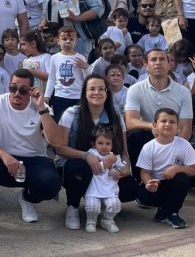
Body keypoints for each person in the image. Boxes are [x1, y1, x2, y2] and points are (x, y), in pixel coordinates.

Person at [0, 69, 62, 239]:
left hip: (34, 160)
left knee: (51, 184)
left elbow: (56, 142)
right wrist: (4, 155)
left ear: (31, 90)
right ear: (8, 87)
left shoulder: (42, 107)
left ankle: (27, 197)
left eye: (23, 90)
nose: (17, 93)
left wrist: (41, 108)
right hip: (4, 160)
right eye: (13, 88)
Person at [45, 74, 136, 231]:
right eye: (92, 89)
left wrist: (126, 167)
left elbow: (123, 150)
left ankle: (101, 206)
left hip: (107, 169)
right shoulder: (72, 113)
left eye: (101, 89)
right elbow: (59, 148)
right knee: (77, 168)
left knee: (131, 189)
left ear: (107, 93)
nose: (97, 92)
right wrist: (86, 156)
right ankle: (73, 207)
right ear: (84, 92)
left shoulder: (115, 116)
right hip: (76, 165)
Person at [124, 49, 194, 172]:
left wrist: (174, 148)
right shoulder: (135, 89)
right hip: (150, 135)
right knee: (135, 135)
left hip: (174, 137)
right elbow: (130, 122)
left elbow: (186, 127)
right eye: (153, 59)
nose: (158, 62)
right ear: (146, 65)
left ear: (169, 65)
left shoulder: (183, 92)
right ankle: (140, 177)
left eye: (162, 59)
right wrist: (154, 126)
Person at [135, 108, 195, 229]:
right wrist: (149, 183)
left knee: (182, 179)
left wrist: (176, 168)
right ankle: (163, 210)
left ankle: (171, 213)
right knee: (143, 193)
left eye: (172, 122)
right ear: (155, 125)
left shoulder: (184, 144)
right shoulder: (149, 147)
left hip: (173, 183)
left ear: (177, 127)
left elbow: (193, 170)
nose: (167, 124)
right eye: (163, 121)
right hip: (157, 184)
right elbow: (144, 172)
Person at [82, 126, 126, 233]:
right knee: (92, 206)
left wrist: (118, 173)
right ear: (94, 144)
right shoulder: (92, 153)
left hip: (110, 190)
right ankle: (91, 221)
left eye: (108, 143)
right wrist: (107, 163)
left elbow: (120, 169)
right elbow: (96, 170)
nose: (104, 146)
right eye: (100, 143)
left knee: (115, 205)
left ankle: (107, 220)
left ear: (112, 144)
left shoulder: (115, 157)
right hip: (94, 190)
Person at [45, 27, 88, 119]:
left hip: (77, 97)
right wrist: (47, 95)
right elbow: (52, 78)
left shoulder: (81, 58)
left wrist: (85, 68)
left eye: (71, 39)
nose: (68, 42)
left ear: (76, 42)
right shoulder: (54, 58)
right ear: (58, 41)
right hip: (60, 97)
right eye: (64, 39)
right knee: (60, 122)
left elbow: (87, 79)